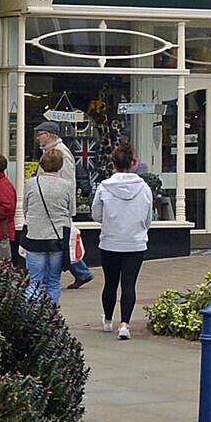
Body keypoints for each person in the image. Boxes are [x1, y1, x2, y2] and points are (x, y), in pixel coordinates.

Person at [93, 141, 154, 339]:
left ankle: (108, 320)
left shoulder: (104, 187)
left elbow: (96, 214)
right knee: (129, 284)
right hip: (135, 243)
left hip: (110, 241)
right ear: (132, 163)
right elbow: (148, 218)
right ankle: (125, 325)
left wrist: (110, 221)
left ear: (114, 164)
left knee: (110, 283)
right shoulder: (144, 188)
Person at [34, 123, 93, 287]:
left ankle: (80, 272)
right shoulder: (51, 151)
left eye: (40, 134)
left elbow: (67, 181)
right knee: (61, 240)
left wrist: (64, 205)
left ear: (49, 135)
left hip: (57, 206)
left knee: (61, 240)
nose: (38, 138)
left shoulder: (61, 153)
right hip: (54, 205)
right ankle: (81, 272)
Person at [19, 144, 77, 305]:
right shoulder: (67, 186)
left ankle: (32, 315)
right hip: (57, 240)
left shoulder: (31, 183)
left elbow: (25, 210)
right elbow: (71, 211)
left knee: (35, 281)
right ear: (60, 165)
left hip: (34, 237)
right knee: (53, 281)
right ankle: (50, 317)